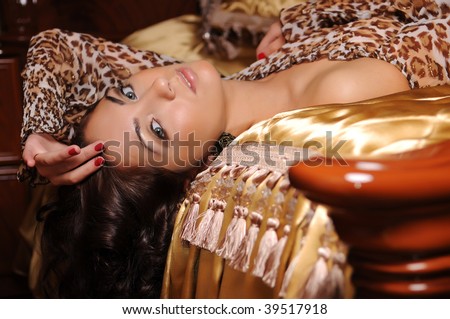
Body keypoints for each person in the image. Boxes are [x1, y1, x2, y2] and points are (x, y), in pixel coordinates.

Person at [19, 0, 449, 298]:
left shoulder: (240, 80)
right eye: (155, 128)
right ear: (194, 170)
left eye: (127, 90)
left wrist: (39, 134)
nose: (161, 84)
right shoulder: (346, 92)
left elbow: (60, 48)